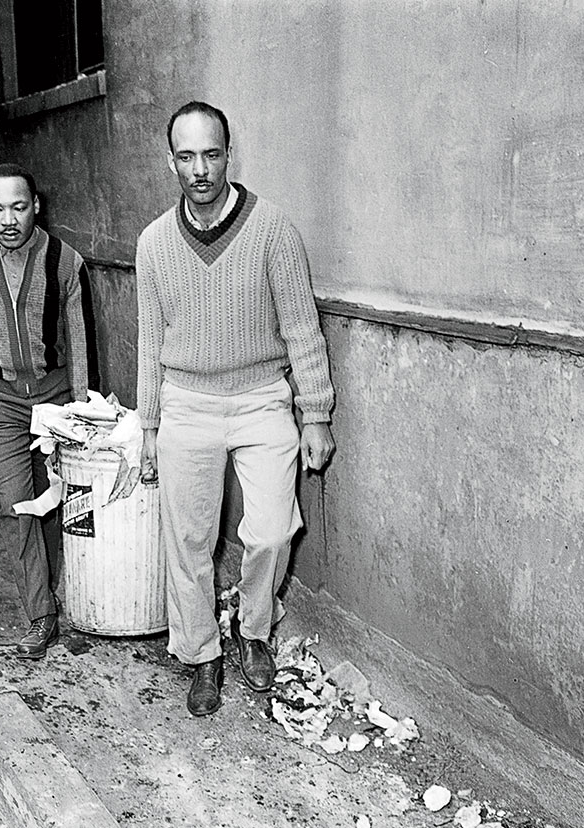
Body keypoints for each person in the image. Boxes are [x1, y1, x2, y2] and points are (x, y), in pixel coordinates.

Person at [136, 102, 335, 716]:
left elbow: (302, 328)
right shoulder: (153, 242)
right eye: (187, 156)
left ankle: (253, 631)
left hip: (260, 400)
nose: (200, 169)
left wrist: (316, 413)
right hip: (187, 404)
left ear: (229, 154)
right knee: (188, 541)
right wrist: (148, 426)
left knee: (273, 530)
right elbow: (149, 342)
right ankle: (201, 655)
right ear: (172, 161)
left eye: (212, 154)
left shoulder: (272, 229)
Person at [0, 163, 98, 659]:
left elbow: (82, 344)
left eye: (19, 207)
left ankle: (64, 590)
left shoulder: (66, 263)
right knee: (16, 505)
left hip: (54, 397)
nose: (8, 219)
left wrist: (83, 409)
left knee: (57, 502)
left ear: (37, 206)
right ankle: (40, 614)